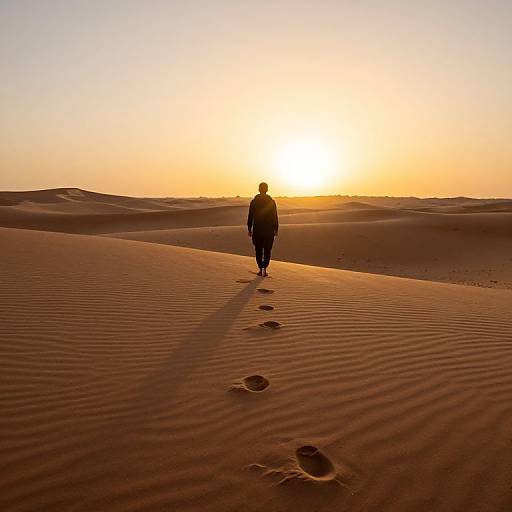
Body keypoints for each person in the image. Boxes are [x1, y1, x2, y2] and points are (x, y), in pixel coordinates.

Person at [247, 182, 279, 276]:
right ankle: (265, 268)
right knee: (267, 250)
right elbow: (275, 216)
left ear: (259, 189)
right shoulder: (271, 201)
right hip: (269, 231)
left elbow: (250, 216)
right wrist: (276, 228)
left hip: (257, 230)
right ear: (267, 189)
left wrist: (249, 228)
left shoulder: (254, 201)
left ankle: (261, 269)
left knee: (258, 250)